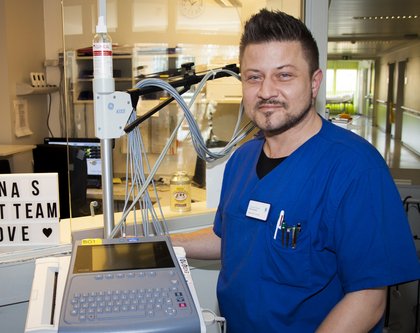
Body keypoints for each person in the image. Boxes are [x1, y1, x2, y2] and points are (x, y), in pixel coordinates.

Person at [171, 9, 420, 333]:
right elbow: (229, 237)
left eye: (284, 75)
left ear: (314, 82)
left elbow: (369, 299)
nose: (266, 91)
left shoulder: (355, 169)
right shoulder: (242, 160)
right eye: (254, 76)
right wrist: (163, 242)